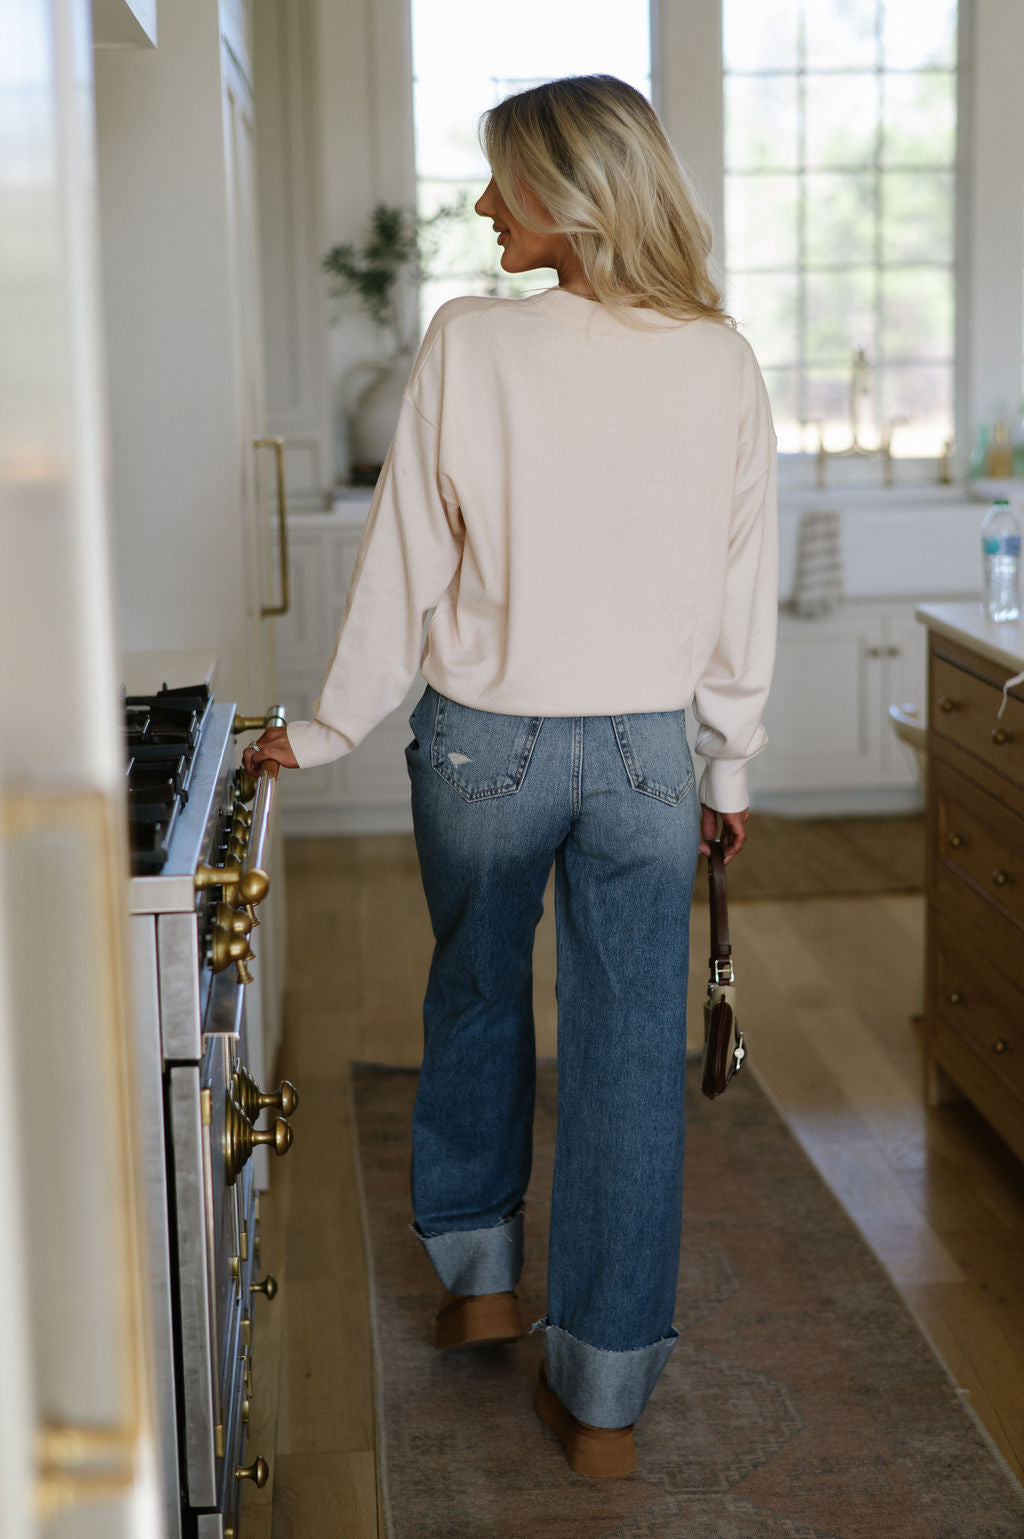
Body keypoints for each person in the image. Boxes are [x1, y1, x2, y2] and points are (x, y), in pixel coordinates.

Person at [243, 73, 777, 1479]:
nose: (485, 206)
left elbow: (406, 559)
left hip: (485, 744)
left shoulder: (472, 345)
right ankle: (602, 1401)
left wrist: (332, 723)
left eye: (504, 184)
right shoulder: (721, 359)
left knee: (477, 992)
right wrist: (729, 770)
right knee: (625, 1058)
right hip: (654, 757)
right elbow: (743, 590)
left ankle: (478, 1278)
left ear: (577, 195)